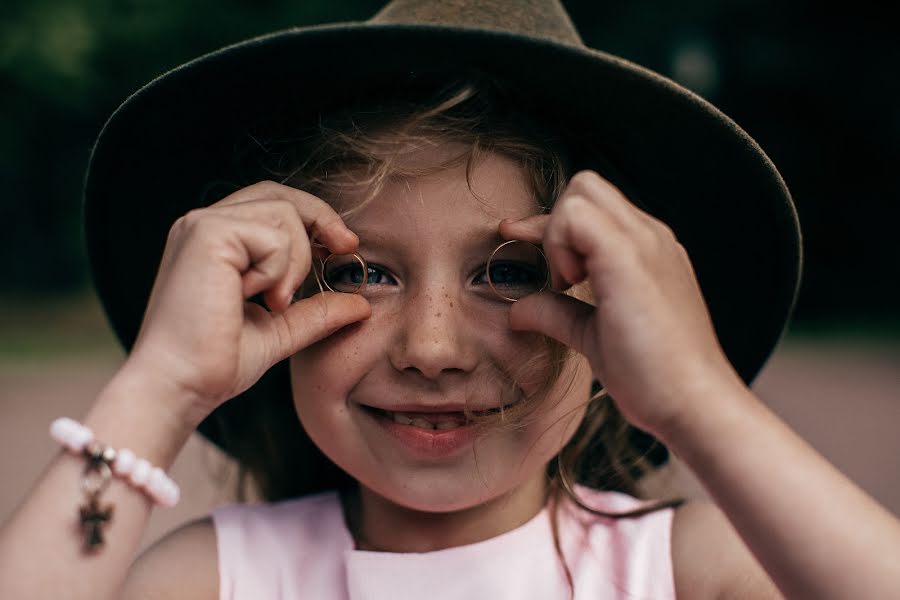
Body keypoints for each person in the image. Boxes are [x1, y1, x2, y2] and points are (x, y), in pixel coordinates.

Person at [2, 1, 900, 598]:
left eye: (507, 272)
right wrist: (161, 386)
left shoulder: (681, 572)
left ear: (614, 307)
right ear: (276, 300)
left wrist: (699, 401)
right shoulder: (224, 578)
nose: (432, 348)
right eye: (365, 271)